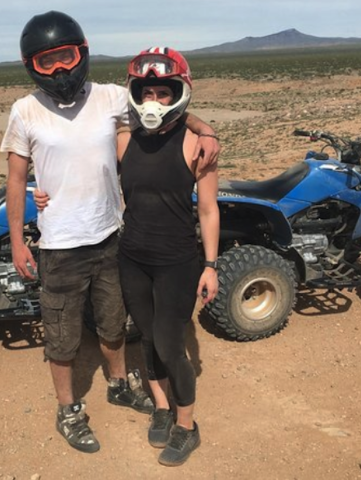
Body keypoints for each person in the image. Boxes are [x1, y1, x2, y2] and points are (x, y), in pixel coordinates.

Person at [1, 11, 220, 454]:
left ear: (81, 53)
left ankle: (121, 385)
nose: (60, 69)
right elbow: (15, 178)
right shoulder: (24, 111)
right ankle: (69, 409)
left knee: (113, 324)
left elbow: (163, 106)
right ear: (32, 66)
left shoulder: (109, 98)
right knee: (62, 336)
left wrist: (205, 128)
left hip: (110, 238)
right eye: (48, 62)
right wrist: (19, 237)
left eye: (66, 57)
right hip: (61, 243)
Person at [117, 47, 220, 466]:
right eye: (147, 93)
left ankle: (186, 426)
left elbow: (209, 209)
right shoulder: (123, 139)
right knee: (146, 337)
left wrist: (211, 265)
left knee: (171, 345)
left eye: (163, 92)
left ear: (179, 91)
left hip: (177, 260)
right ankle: (160, 407)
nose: (154, 101)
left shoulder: (200, 145)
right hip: (132, 257)